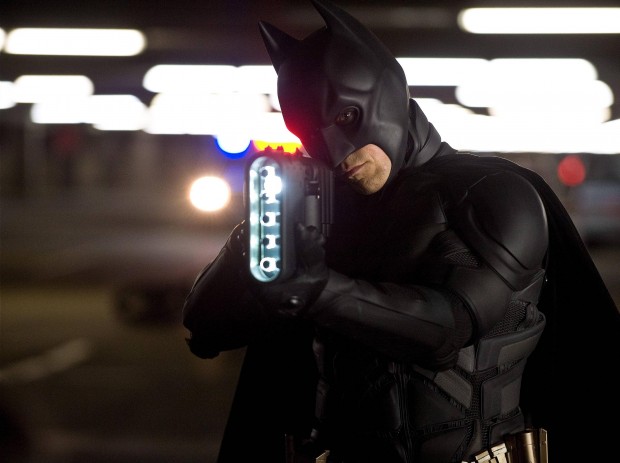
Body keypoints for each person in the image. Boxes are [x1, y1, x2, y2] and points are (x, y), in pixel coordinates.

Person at [182, 1, 619, 462]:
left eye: (346, 118)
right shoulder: (323, 206)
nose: (335, 151)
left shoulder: (492, 194)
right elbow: (206, 331)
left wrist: (319, 291)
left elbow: (448, 330)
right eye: (310, 132)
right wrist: (257, 235)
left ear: (389, 96)